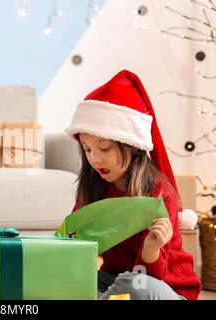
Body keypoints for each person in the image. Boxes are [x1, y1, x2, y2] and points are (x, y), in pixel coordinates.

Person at [66, 70, 202, 300]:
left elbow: (150, 277)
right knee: (70, 281)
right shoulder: (94, 186)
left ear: (132, 145)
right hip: (114, 281)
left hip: (163, 287)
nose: (95, 159)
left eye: (105, 148)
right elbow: (77, 250)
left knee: (135, 284)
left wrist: (152, 247)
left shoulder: (158, 192)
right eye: (87, 149)